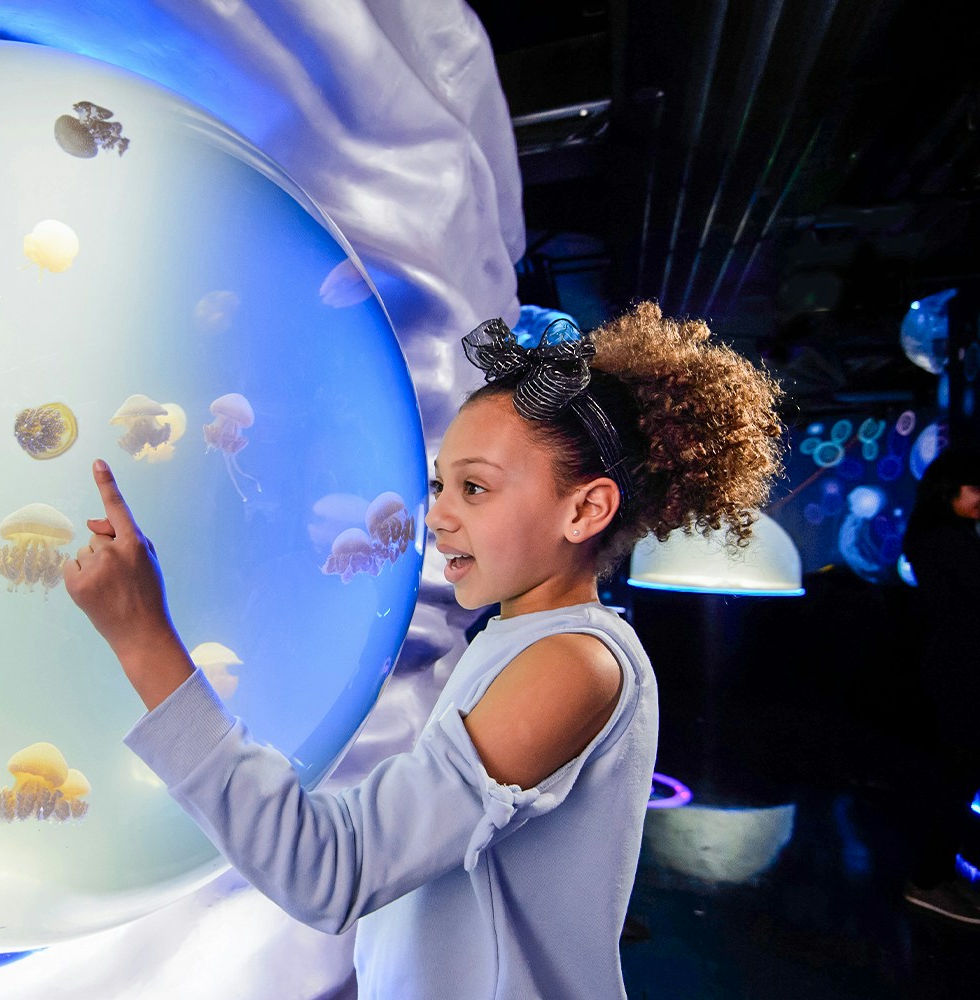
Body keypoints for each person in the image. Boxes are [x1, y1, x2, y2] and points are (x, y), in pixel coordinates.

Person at [64, 301, 784, 999]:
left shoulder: (574, 664)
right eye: (441, 484)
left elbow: (330, 871)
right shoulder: (517, 639)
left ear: (585, 509)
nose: (436, 513)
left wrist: (142, 639)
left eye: (475, 487)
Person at [899, 444, 980, 925]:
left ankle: (937, 876)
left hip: (953, 668)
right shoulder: (945, 540)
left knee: (956, 777)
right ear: (947, 491)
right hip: (959, 673)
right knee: (955, 778)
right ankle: (929, 881)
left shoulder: (944, 536)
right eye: (973, 489)